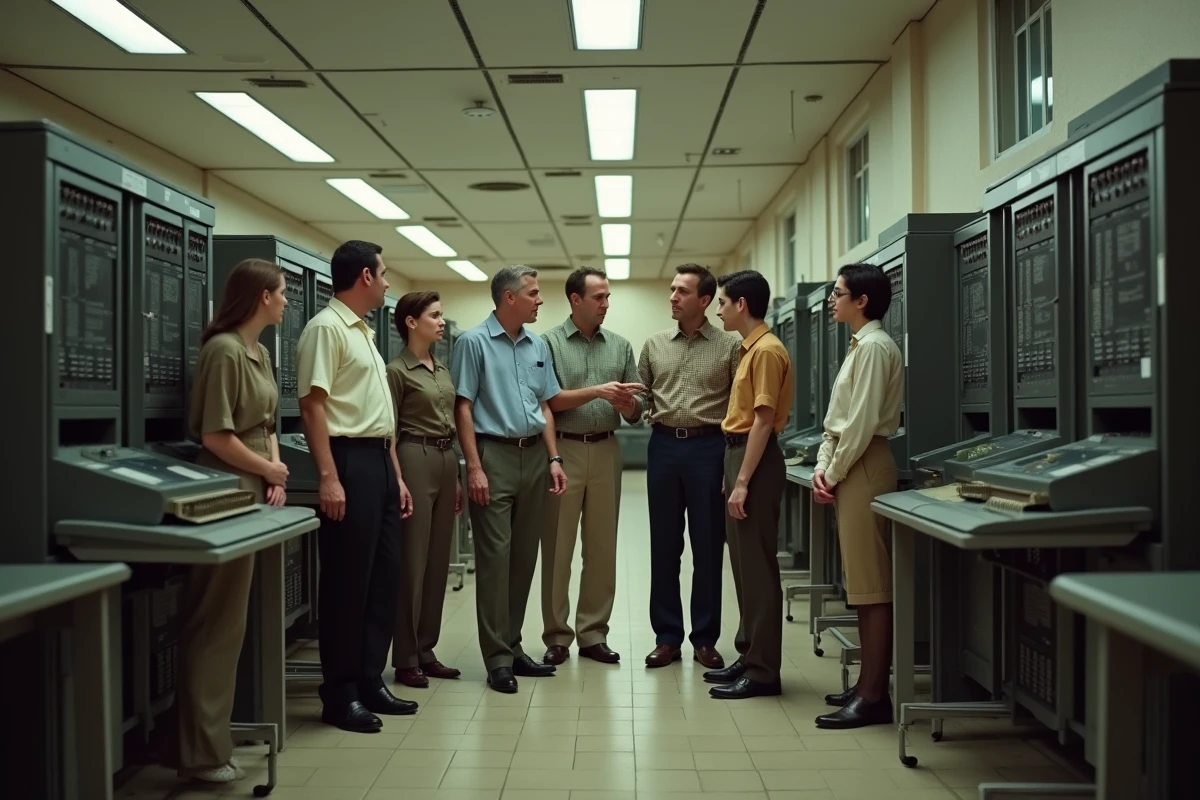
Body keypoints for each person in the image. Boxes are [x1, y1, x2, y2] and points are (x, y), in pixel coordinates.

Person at [175, 258, 289, 783]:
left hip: (256, 491)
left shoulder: (259, 351)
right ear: (261, 297)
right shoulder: (222, 351)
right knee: (215, 623)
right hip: (225, 492)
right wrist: (268, 468)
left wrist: (276, 474)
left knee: (234, 623)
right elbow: (216, 436)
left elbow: (267, 422)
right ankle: (200, 753)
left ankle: (216, 739)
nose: (287, 300)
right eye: (282, 292)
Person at [296, 240, 417, 733]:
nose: (388, 282)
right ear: (365, 276)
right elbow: (312, 406)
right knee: (348, 583)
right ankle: (340, 693)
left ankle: (370, 679)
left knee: (382, 578)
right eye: (384, 273)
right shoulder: (325, 329)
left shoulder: (362, 332)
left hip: (379, 462)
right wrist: (328, 476)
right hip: (348, 463)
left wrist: (397, 476)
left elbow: (377, 412)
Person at [452, 265, 568, 693]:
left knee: (523, 559)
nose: (540, 300)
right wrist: (474, 467)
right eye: (534, 293)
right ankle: (497, 658)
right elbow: (462, 407)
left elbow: (546, 405)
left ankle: (515, 646)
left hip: (534, 457)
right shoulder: (472, 343)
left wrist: (554, 457)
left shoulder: (538, 344)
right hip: (493, 455)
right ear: (508, 298)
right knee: (496, 561)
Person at [811, 263, 904, 729]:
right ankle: (867, 683)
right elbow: (839, 420)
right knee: (862, 586)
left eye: (839, 292)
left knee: (872, 588)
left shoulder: (874, 349)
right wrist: (826, 469)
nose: (832, 299)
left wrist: (835, 470)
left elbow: (862, 423)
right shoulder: (861, 346)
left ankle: (873, 696)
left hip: (865, 464)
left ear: (861, 301)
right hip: (853, 465)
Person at [539, 267, 645, 666]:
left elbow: (639, 408)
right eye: (598, 297)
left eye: (608, 297)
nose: (605, 304)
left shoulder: (619, 346)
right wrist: (598, 392)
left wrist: (628, 405)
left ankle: (593, 633)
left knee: (601, 548)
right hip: (561, 450)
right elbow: (546, 401)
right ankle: (556, 635)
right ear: (575, 300)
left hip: (606, 449)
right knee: (558, 548)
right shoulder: (547, 344)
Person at [637, 263, 741, 670]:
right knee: (664, 545)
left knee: (708, 546)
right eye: (671, 290)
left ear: (704, 300)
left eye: (682, 291)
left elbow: (737, 405)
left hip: (709, 449)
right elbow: (643, 399)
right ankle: (666, 637)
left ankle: (704, 638)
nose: (673, 297)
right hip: (662, 446)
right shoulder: (654, 344)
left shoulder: (730, 347)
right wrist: (630, 405)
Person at [704, 270, 793, 699]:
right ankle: (749, 653)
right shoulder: (749, 349)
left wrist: (741, 481)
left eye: (722, 302)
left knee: (758, 568)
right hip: (738, 454)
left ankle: (762, 671)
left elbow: (762, 420)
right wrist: (732, 473)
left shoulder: (767, 352)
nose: (717, 309)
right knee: (742, 565)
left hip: (753, 458)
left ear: (741, 304)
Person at [386, 290, 464, 688]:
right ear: (411, 322)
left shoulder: (441, 368)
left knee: (436, 564)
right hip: (414, 457)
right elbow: (390, 432)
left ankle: (426, 650)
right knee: (413, 565)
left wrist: (458, 477)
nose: (441, 321)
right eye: (434, 315)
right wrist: (398, 479)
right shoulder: (396, 370)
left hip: (445, 459)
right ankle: (405, 657)